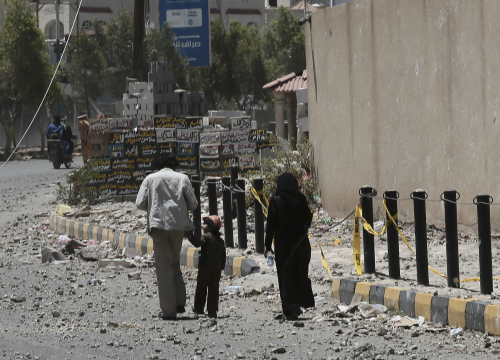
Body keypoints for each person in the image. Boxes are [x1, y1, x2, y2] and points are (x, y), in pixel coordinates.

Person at [136, 153, 198, 320]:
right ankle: (179, 302)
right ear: (174, 165)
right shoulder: (183, 178)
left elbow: (139, 203)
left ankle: (168, 310)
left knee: (163, 267)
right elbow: (194, 204)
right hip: (178, 227)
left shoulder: (150, 178)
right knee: (174, 263)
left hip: (158, 226)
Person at [264, 172, 315, 320]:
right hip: (302, 245)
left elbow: (270, 226)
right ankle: (298, 305)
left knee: (286, 277)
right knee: (300, 274)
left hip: (284, 246)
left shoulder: (276, 201)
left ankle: (291, 310)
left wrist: (267, 246)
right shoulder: (301, 199)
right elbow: (308, 219)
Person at [186, 215, 226, 318]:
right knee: (214, 289)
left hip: (205, 267)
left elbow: (197, 244)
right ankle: (212, 311)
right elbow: (223, 256)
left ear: (211, 227)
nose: (202, 226)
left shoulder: (206, 236)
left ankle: (199, 308)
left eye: (205, 224)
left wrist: (190, 235)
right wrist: (221, 268)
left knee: (201, 288)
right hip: (216, 269)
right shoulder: (221, 241)